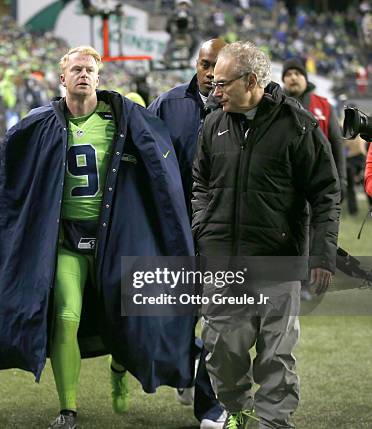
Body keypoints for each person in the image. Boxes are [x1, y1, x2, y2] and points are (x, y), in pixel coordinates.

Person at [0, 46, 196, 429]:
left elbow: (160, 167)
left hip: (114, 239)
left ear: (99, 78)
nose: (83, 75)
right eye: (76, 69)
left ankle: (119, 370)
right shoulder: (40, 124)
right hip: (67, 239)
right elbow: (14, 179)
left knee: (125, 319)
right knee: (65, 317)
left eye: (90, 69)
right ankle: (67, 408)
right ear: (62, 78)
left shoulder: (124, 119)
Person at [192, 41, 340, 428]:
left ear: (252, 81)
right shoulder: (212, 124)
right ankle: (238, 411)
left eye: (223, 83)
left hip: (278, 262)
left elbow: (325, 193)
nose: (214, 89)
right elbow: (200, 183)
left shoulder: (299, 126)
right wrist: (203, 227)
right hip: (223, 262)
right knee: (221, 350)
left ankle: (273, 423)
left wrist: (322, 256)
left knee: (276, 355)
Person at [148, 38, 227, 429]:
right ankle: (188, 363)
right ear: (196, 63)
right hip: (175, 230)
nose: (211, 73)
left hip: (221, 230)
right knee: (173, 316)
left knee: (217, 319)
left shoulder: (240, 108)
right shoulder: (167, 105)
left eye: (218, 64)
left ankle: (209, 407)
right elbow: (145, 157)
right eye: (205, 63)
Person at [282, 58, 346, 196]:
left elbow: (336, 143)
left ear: (305, 77)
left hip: (319, 179)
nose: (293, 77)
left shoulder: (324, 106)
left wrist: (342, 179)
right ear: (283, 80)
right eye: (288, 74)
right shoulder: (276, 106)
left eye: (297, 73)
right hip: (285, 181)